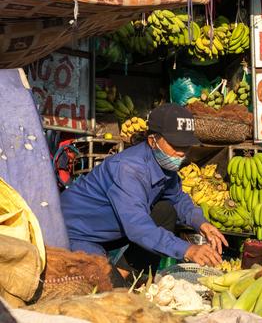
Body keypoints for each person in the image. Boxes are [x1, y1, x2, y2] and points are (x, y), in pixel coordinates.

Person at [61, 103, 228, 281]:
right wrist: (188, 249)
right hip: (80, 233)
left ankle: (127, 274)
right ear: (152, 141)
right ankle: (119, 280)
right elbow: (138, 227)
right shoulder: (128, 169)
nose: (181, 153)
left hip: (115, 229)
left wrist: (201, 223)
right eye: (175, 145)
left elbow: (178, 198)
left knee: (165, 211)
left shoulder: (165, 164)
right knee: (108, 291)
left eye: (186, 147)